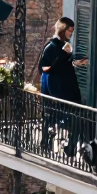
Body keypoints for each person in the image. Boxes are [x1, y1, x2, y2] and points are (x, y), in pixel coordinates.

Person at [39, 17, 88, 157]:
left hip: (68, 88)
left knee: (76, 118)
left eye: (72, 31)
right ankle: (46, 144)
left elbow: (65, 65)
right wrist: (62, 57)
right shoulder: (51, 47)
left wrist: (75, 62)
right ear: (63, 30)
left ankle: (70, 147)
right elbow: (45, 68)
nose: (71, 34)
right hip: (56, 90)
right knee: (51, 119)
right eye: (69, 31)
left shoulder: (65, 45)